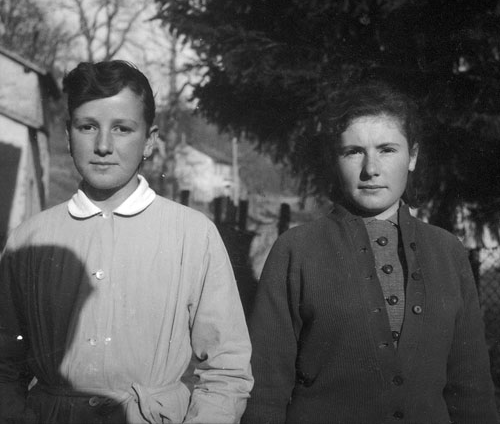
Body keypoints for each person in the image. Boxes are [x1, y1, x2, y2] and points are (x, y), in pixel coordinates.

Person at [0, 60, 253, 424]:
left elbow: (227, 369)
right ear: (68, 135)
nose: (103, 145)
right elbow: (5, 365)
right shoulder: (30, 239)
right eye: (88, 127)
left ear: (149, 140)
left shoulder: (193, 234)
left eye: (122, 128)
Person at [242, 80, 499, 424]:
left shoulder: (447, 251)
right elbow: (265, 390)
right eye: (353, 152)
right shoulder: (296, 250)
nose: (371, 169)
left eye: (387, 149)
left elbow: (472, 390)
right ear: (335, 159)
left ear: (413, 157)